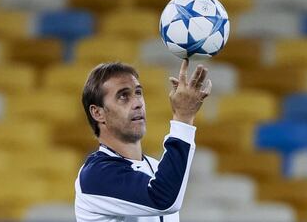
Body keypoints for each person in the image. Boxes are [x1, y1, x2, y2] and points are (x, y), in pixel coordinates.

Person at [75, 59, 212, 222]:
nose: (138, 103)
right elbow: (161, 199)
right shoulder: (94, 175)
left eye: (138, 92)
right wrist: (183, 118)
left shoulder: (156, 168)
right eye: (123, 96)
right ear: (98, 113)